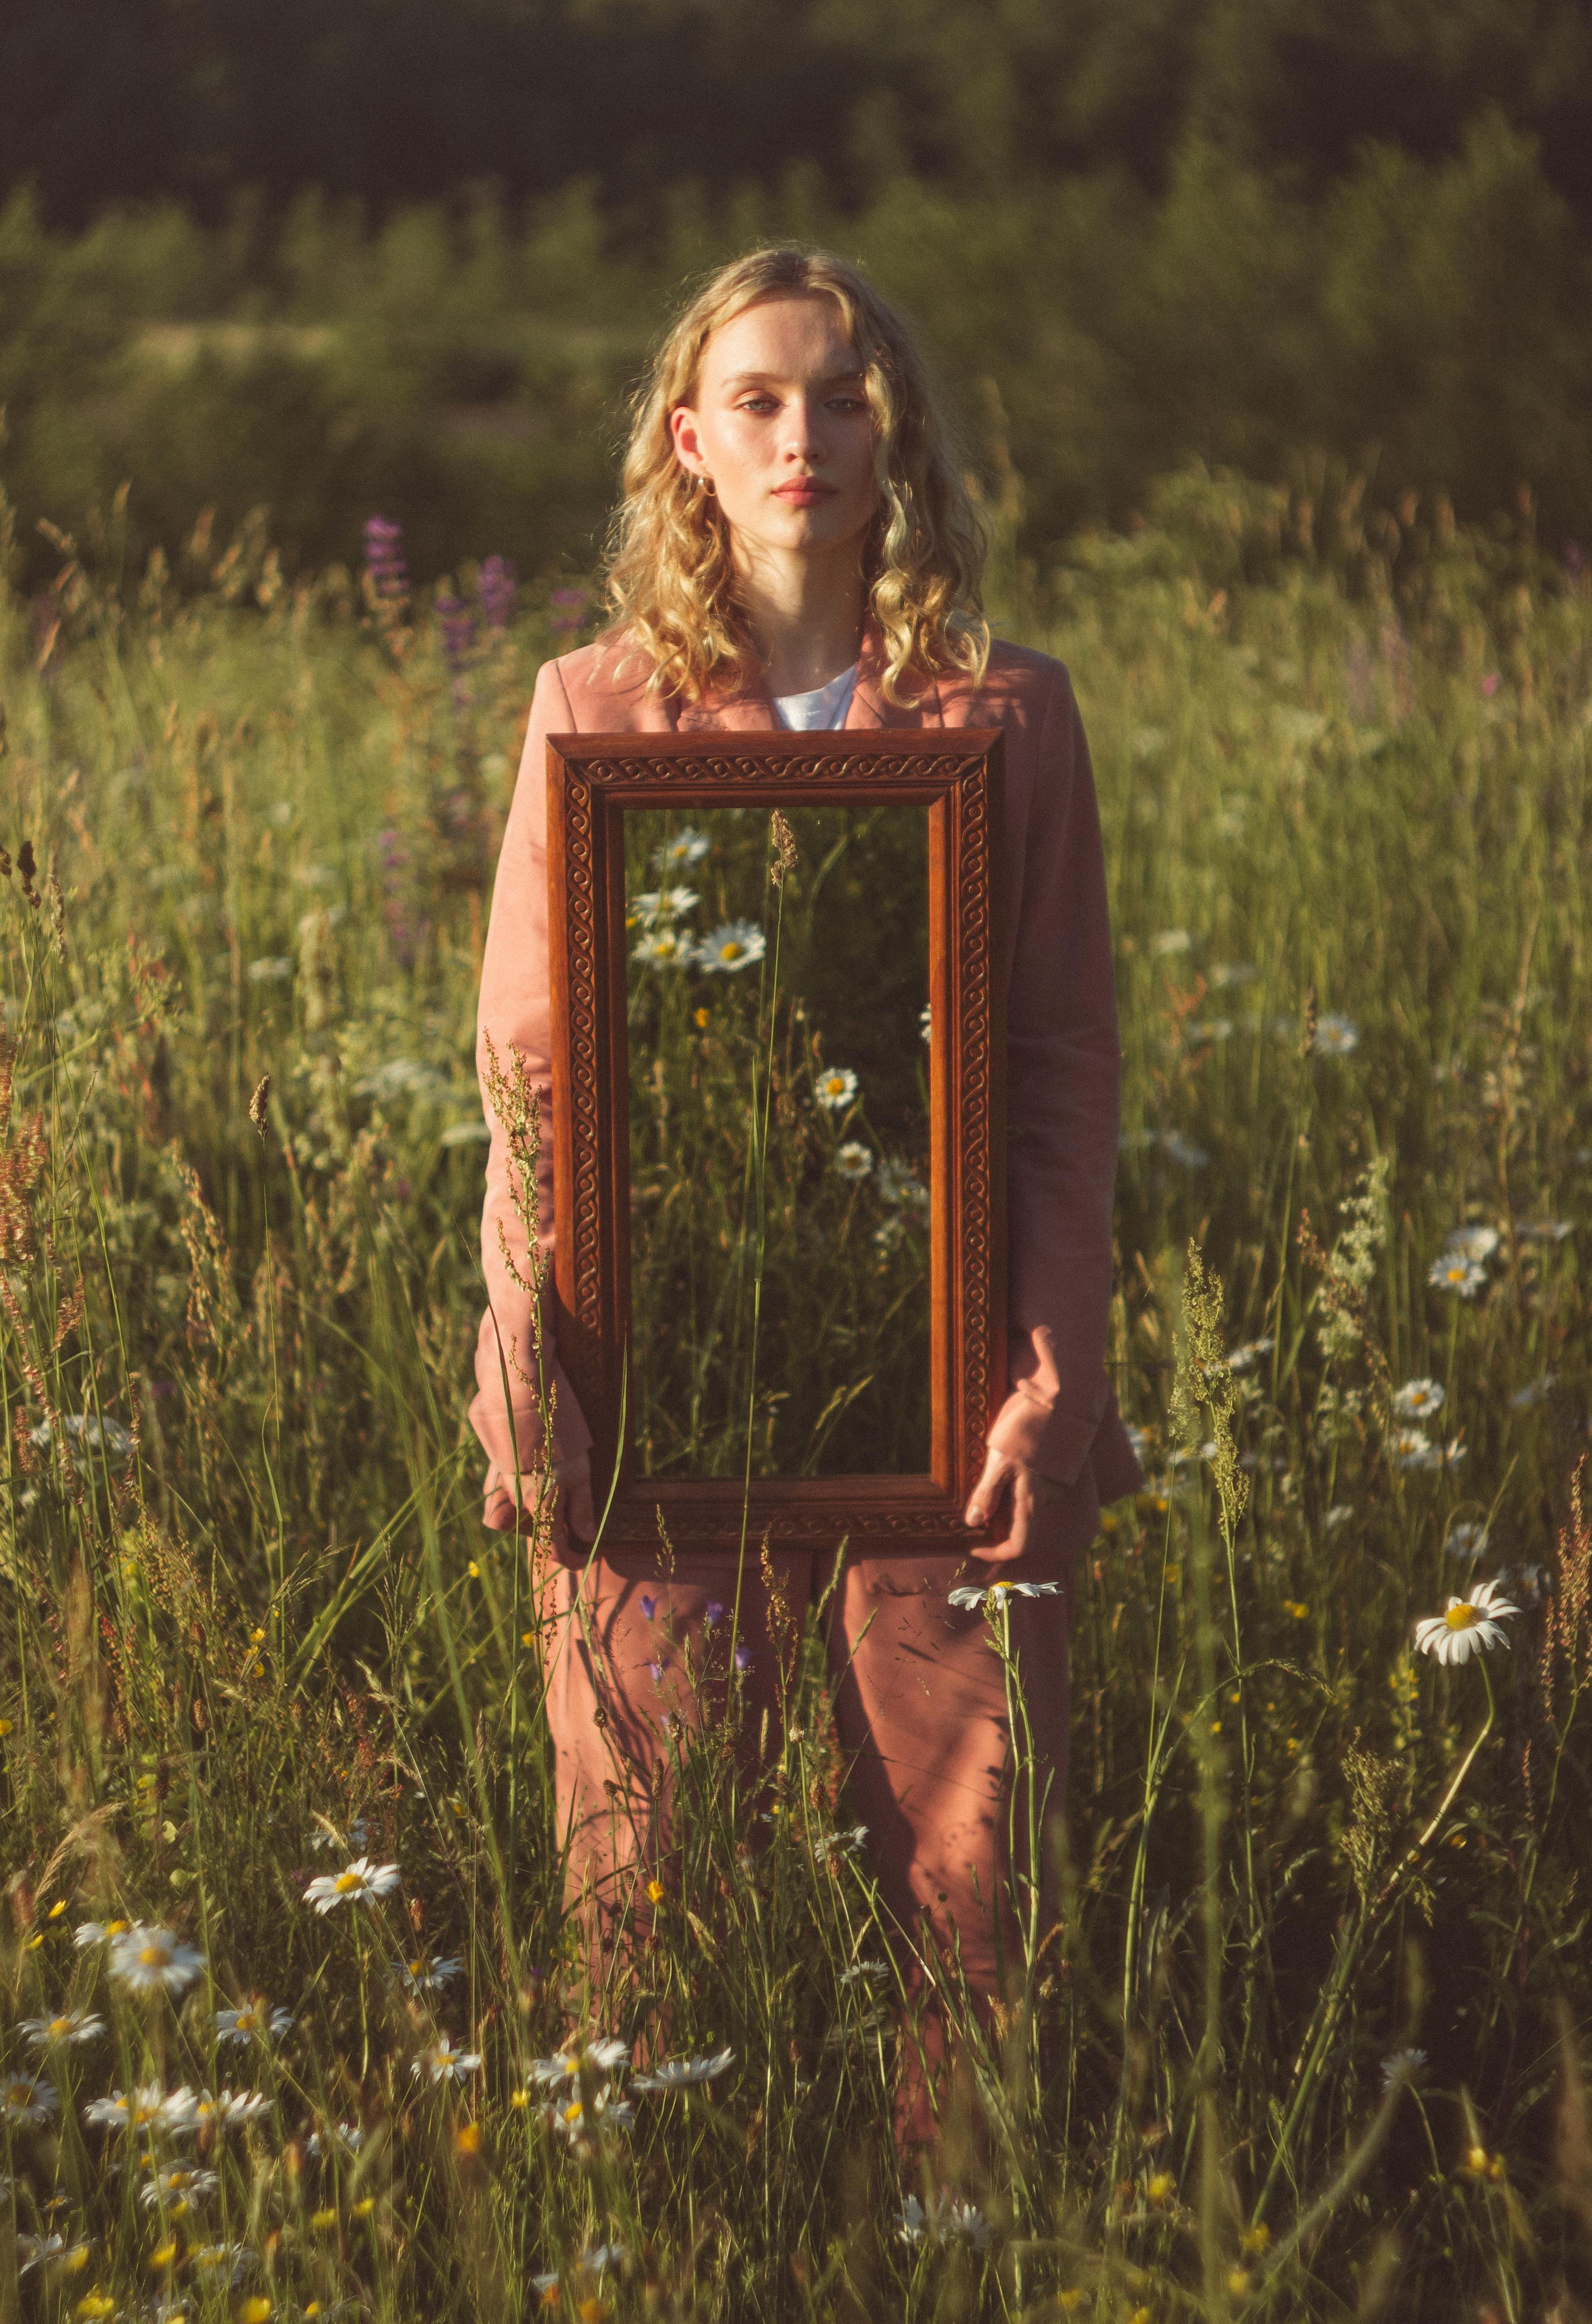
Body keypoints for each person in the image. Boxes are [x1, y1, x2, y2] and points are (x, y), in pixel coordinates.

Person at [469, 246, 1142, 2075]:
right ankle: (664, 2228)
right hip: (660, 1390)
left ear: (894, 428)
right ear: (688, 442)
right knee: (650, 1870)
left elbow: (1067, 1072)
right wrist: (533, 1364)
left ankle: (954, 2249)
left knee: (972, 1876)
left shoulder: (1007, 710)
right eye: (759, 400)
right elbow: (531, 1082)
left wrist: (1053, 1376)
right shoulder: (593, 708)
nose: (804, 437)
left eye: (843, 396)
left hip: (957, 1399)